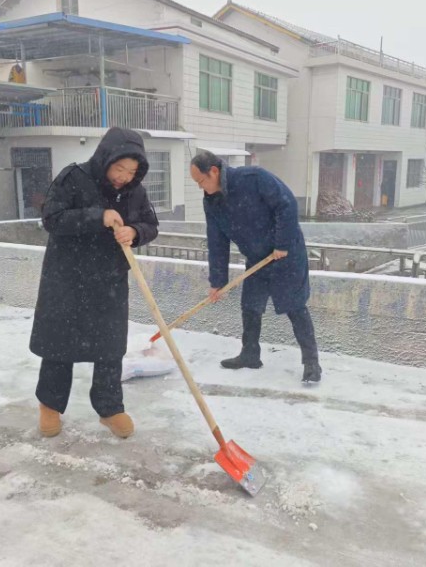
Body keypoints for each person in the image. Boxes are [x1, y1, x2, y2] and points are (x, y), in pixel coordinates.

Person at [30, 127, 159, 438]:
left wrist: (135, 232)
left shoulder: (135, 191)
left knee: (110, 348)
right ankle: (50, 406)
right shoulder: (73, 178)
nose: (124, 177)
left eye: (131, 171)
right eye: (119, 169)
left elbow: (151, 224)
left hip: (109, 281)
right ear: (105, 159)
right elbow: (52, 219)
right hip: (67, 279)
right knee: (59, 346)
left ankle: (110, 408)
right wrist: (96, 216)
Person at [190, 151, 322, 383]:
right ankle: (250, 354)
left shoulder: (253, 178)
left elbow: (287, 204)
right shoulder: (212, 202)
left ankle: (311, 362)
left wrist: (281, 244)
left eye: (201, 181)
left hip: (286, 254)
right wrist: (218, 282)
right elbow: (217, 241)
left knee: (295, 307)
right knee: (250, 306)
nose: (201, 188)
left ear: (214, 171)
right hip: (256, 259)